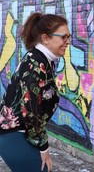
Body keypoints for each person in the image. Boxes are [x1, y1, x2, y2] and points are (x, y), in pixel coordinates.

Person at [0, 13, 70, 172]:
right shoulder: (36, 64)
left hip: (19, 134)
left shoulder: (45, 60)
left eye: (69, 36)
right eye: (63, 37)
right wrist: (44, 148)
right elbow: (31, 111)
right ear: (45, 38)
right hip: (13, 134)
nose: (68, 42)